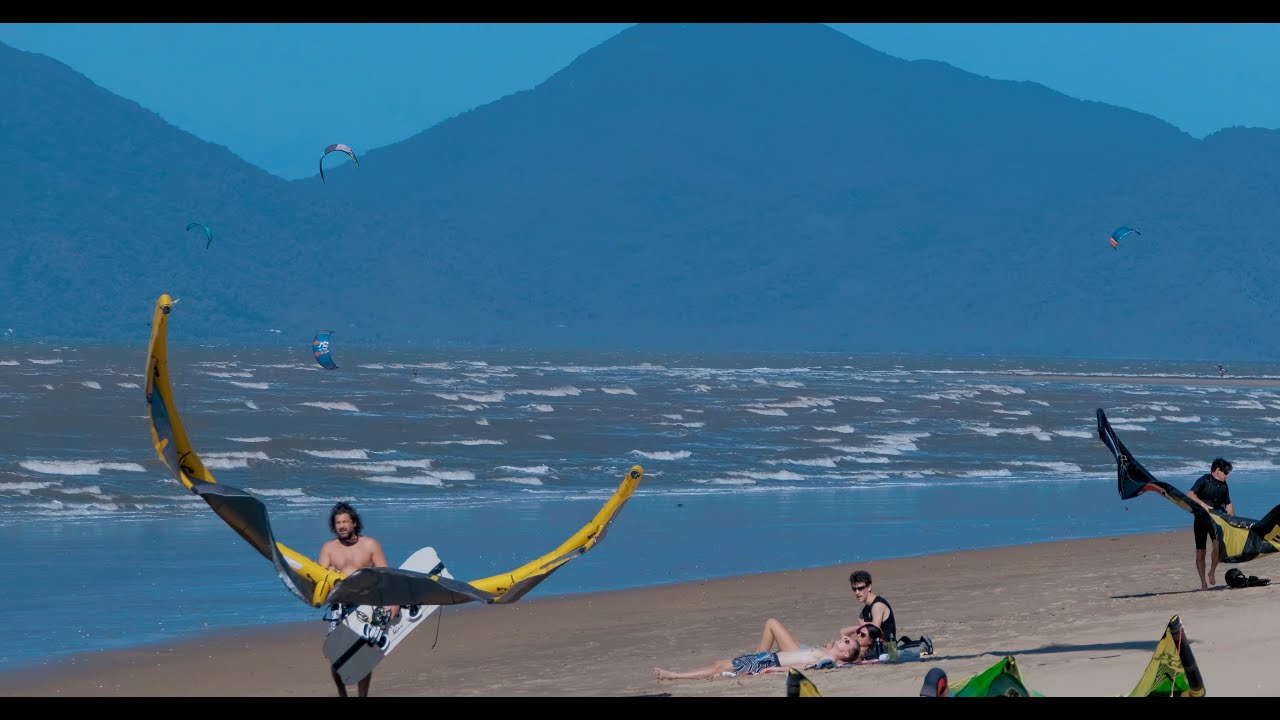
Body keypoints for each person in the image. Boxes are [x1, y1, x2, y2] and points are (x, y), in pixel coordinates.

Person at [319, 501, 399, 697]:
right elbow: (319, 580)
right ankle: (342, 692)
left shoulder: (370, 545)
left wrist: (394, 602)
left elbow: (385, 576)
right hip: (339, 606)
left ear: (354, 523)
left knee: (364, 655)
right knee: (336, 656)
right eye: (338, 523)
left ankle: (363, 695)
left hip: (366, 605)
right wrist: (328, 572)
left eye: (345, 521)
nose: (341, 526)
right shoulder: (329, 548)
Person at [653, 624, 880, 680]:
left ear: (845, 653)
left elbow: (804, 668)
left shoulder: (827, 660)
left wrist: (777, 670)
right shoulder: (830, 657)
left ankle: (673, 675)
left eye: (847, 642)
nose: (845, 638)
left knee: (719, 666)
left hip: (767, 661)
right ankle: (677, 675)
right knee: (720, 664)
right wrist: (865, 663)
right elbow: (849, 663)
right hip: (766, 658)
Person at [1186, 457, 1235, 590]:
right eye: (1226, 472)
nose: (1227, 475)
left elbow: (1228, 504)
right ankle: (1203, 583)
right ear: (1217, 470)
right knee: (1200, 553)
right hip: (1201, 520)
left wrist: (1233, 521)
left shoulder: (1224, 486)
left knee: (1217, 548)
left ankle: (1212, 571)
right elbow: (1190, 494)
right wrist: (1204, 505)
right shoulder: (1204, 480)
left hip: (1216, 521)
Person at [842, 569, 896, 644]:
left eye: (860, 588)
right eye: (854, 589)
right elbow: (861, 634)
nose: (857, 592)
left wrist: (864, 626)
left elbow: (873, 634)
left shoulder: (877, 606)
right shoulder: (864, 611)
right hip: (873, 646)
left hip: (886, 647)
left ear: (869, 587)